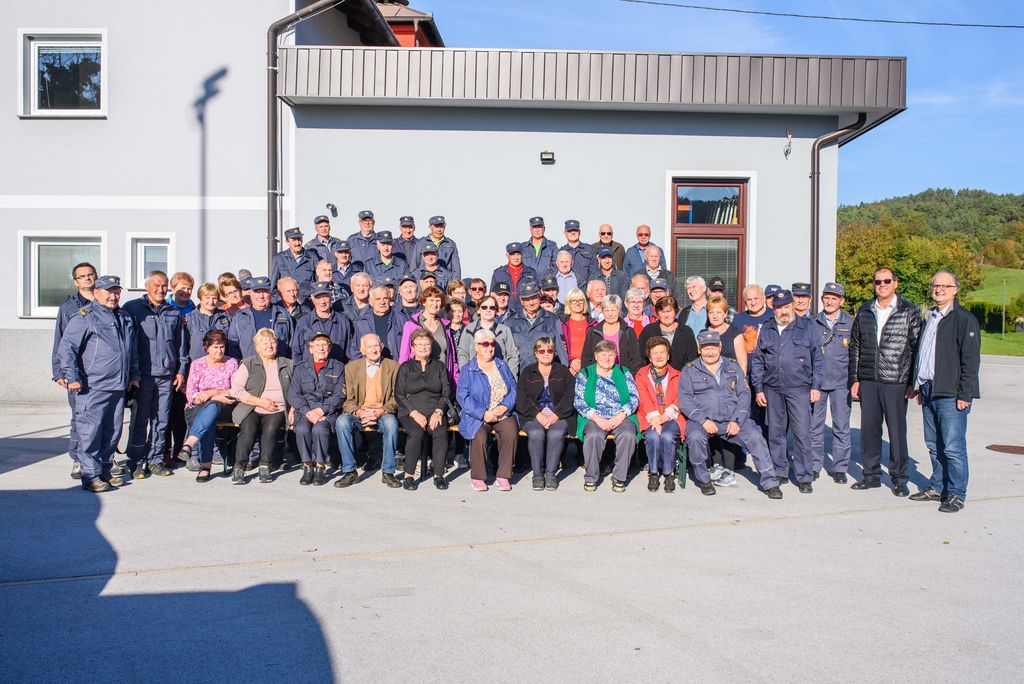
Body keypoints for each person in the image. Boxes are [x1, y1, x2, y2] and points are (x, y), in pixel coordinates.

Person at [57, 275, 140, 492]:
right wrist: (72, 377)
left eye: (116, 292)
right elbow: (66, 349)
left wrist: (134, 375)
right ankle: (90, 475)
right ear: (96, 293)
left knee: (112, 432)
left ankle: (104, 470)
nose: (113, 296)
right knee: (90, 432)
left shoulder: (124, 317)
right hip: (92, 386)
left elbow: (131, 350)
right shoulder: (84, 317)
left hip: (118, 385)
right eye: (108, 292)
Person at [679, 331, 782, 498]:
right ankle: (704, 480)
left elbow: (744, 395)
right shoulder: (689, 370)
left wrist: (737, 420)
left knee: (755, 436)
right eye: (706, 348)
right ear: (699, 349)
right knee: (695, 438)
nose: (710, 352)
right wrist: (703, 420)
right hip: (702, 421)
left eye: (713, 348)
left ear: (720, 347)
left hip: (731, 419)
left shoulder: (733, 366)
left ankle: (770, 482)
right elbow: (685, 400)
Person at [910, 269, 981, 513]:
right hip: (929, 390)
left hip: (951, 394)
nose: (939, 289)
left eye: (945, 286)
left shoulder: (963, 319)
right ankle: (937, 486)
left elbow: (970, 361)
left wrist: (965, 394)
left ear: (955, 290)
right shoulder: (930, 317)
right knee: (933, 444)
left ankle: (956, 493)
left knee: (952, 447)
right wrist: (919, 385)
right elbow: (924, 354)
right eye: (935, 285)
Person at [849, 267, 922, 496]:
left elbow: (916, 348)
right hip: (869, 380)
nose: (882, 285)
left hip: (896, 381)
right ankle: (870, 475)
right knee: (869, 431)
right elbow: (856, 346)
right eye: (878, 281)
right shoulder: (865, 310)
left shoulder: (908, 311)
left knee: (897, 433)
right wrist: (855, 378)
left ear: (895, 283)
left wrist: (911, 382)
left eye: (886, 281)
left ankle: (899, 479)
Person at [750, 290, 823, 493]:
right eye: (779, 307)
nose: (783, 311)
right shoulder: (767, 328)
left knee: (801, 433)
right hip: (772, 389)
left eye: (787, 306)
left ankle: (804, 476)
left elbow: (818, 359)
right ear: (773, 308)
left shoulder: (807, 327)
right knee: (776, 433)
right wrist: (758, 389)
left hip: (799, 389)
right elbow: (758, 360)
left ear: (792, 306)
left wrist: (816, 386)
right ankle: (780, 471)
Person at [122, 270, 189, 480]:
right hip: (142, 376)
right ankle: (136, 461)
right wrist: (132, 373)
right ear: (147, 286)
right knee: (140, 421)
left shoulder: (173, 312)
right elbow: (128, 344)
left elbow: (181, 346)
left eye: (164, 286)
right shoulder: (132, 309)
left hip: (166, 376)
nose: (161, 289)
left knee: (161, 420)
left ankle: (156, 460)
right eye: (156, 285)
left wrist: (181, 371)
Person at [336, 333, 402, 489]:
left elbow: (396, 397)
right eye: (369, 346)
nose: (373, 350)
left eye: (376, 346)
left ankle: (388, 472)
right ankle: (350, 471)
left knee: (391, 424)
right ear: (362, 349)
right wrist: (360, 412)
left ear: (381, 347)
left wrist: (381, 411)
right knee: (341, 422)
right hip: (360, 412)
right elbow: (349, 400)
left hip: (382, 412)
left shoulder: (393, 366)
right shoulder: (351, 368)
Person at [573, 339, 639, 492]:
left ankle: (619, 477)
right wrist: (597, 418)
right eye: (603, 354)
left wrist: (621, 415)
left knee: (628, 435)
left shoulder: (624, 372)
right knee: (594, 435)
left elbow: (634, 397)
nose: (607, 358)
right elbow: (579, 401)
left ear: (616, 356)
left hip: (620, 415)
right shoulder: (585, 373)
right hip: (594, 416)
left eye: (611, 354)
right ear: (596, 356)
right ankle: (591, 477)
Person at [229, 328, 293, 485]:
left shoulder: (288, 364)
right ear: (257, 347)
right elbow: (236, 390)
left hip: (277, 409)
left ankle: (265, 465)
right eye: (264, 343)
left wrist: (293, 409)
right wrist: (260, 402)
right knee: (248, 429)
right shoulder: (248, 363)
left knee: (270, 429)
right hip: (251, 407)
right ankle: (239, 467)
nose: (269, 346)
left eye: (272, 342)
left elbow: (297, 390)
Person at [457, 328, 518, 492]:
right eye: (485, 344)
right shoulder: (468, 369)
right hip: (478, 415)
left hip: (502, 413)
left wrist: (504, 407)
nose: (489, 347)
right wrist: (483, 413)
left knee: (510, 433)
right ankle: (478, 476)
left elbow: (513, 389)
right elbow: (463, 396)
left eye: (492, 344)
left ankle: (503, 475)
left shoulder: (502, 365)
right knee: (480, 437)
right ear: (476, 346)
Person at [52, 261, 96, 479]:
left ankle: (102, 456)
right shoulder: (68, 307)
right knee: (79, 418)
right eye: (82, 276)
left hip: (100, 371)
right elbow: (60, 339)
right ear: (76, 281)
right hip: (77, 372)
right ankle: (78, 459)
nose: (87, 278)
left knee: (102, 418)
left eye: (90, 274)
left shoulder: (106, 300)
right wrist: (59, 372)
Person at [516, 336, 576, 491]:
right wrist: (538, 415)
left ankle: (550, 474)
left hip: (560, 414)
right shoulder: (528, 372)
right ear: (536, 353)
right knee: (536, 433)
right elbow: (522, 398)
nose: (546, 354)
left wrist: (556, 415)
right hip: (533, 414)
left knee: (556, 434)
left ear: (554, 352)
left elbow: (569, 396)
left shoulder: (563, 371)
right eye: (541, 351)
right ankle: (537, 474)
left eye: (549, 350)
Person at [396, 329, 452, 491]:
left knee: (440, 432)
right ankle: (409, 476)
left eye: (426, 344)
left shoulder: (439, 366)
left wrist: (439, 412)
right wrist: (414, 413)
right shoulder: (405, 367)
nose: (423, 347)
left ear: (431, 346)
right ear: (412, 347)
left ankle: (438, 475)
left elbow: (446, 391)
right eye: (419, 344)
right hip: (410, 411)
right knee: (416, 433)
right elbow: (399, 394)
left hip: (435, 411)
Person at [287, 333, 346, 487]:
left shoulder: (338, 367)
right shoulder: (301, 368)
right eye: (317, 344)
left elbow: (340, 395)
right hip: (305, 411)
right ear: (310, 349)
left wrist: (321, 411)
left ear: (329, 348)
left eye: (324, 344)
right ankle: (307, 465)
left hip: (327, 412)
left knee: (320, 429)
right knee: (302, 429)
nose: (321, 347)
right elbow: (293, 394)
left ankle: (320, 466)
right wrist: (307, 412)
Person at [810, 283, 854, 483]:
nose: (829, 301)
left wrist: (855, 381)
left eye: (834, 298)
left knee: (841, 426)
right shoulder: (813, 322)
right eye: (827, 297)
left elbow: (855, 354)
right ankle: (814, 466)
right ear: (822, 299)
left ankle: (839, 468)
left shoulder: (850, 323)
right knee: (814, 426)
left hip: (841, 383)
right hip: (817, 383)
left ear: (841, 301)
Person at [181, 329, 237, 482]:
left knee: (212, 408)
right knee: (208, 417)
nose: (219, 350)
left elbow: (234, 390)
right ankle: (205, 465)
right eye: (215, 347)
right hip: (197, 408)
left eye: (222, 347)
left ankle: (190, 446)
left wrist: (212, 393)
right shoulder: (197, 364)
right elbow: (191, 393)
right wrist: (214, 397)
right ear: (206, 348)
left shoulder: (232, 363)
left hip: (224, 408)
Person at [636, 336, 686, 493]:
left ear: (668, 355)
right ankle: (653, 472)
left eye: (662, 352)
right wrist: (655, 419)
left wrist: (663, 418)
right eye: (655, 353)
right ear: (650, 357)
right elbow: (642, 399)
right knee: (652, 436)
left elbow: (680, 400)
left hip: (672, 416)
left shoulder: (677, 375)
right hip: (649, 416)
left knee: (667, 436)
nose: (659, 356)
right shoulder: (641, 374)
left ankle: (668, 473)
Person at [398, 286, 459, 386]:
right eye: (431, 300)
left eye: (438, 300)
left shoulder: (446, 326)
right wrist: (402, 382)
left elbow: (452, 358)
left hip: (441, 379)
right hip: (418, 380)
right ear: (424, 302)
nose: (434, 304)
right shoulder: (411, 325)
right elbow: (404, 356)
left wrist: (455, 382)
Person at [505, 281, 569, 370]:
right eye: (527, 299)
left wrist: (562, 373)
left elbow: (561, 353)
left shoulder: (553, 320)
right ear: (521, 301)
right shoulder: (510, 322)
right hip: (519, 374)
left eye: (534, 298)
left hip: (546, 374)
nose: (531, 303)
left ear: (539, 296)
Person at [228, 276, 294, 359]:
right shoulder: (240, 317)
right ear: (251, 294)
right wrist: (240, 364)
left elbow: (293, 344)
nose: (261, 296)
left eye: (265, 292)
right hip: (250, 365)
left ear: (270, 293)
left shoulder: (282, 314)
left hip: (279, 365)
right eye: (257, 292)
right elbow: (233, 347)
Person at [291, 281, 356, 363]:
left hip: (337, 369)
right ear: (312, 299)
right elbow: (296, 351)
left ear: (331, 297)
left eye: (325, 296)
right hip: (310, 370)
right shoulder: (303, 322)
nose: (322, 301)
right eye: (318, 297)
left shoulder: (343, 321)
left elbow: (350, 352)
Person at [581, 294, 643, 375]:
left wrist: (629, 377)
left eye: (613, 310)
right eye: (607, 310)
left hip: (622, 377)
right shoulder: (593, 331)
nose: (610, 314)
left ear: (619, 311)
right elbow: (586, 358)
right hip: (597, 377)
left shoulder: (628, 331)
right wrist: (588, 376)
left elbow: (636, 359)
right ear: (602, 311)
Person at [457, 294, 519, 375]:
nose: (488, 310)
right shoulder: (469, 329)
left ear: (496, 311)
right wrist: (466, 374)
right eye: (484, 307)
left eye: (492, 308)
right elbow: (463, 353)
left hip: (499, 376)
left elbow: (513, 355)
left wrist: (509, 376)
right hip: (474, 376)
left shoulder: (504, 330)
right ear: (478, 310)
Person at [638, 296, 698, 371]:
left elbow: (691, 358)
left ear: (675, 312)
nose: (666, 315)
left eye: (669, 311)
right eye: (663, 312)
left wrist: (683, 374)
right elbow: (641, 357)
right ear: (657, 314)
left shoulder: (686, 331)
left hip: (681, 375)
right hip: (653, 375)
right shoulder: (649, 331)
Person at [353, 285, 405, 360]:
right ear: (370, 302)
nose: (382, 302)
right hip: (372, 365)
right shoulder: (363, 323)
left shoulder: (401, 319)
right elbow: (355, 350)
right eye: (378, 299)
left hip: (397, 364)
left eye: (385, 298)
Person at [185, 282, 232, 364]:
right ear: (200, 298)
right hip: (197, 366)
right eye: (207, 298)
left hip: (222, 365)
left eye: (214, 298)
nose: (211, 301)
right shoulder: (189, 319)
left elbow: (232, 343)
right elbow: (183, 347)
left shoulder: (225, 317)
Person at [270, 227, 317, 300]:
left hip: (306, 302)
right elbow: (273, 286)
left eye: (299, 239)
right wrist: (278, 302)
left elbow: (317, 282)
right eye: (294, 240)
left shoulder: (312, 257)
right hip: (286, 302)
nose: (297, 243)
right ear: (287, 242)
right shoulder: (279, 258)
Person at [490, 242, 538, 308]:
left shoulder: (531, 272)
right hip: (505, 310)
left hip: (525, 310)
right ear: (507, 256)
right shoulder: (498, 273)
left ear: (522, 255)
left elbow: (536, 295)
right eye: (512, 254)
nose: (516, 258)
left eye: (518, 254)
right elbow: (492, 296)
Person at [413, 215, 462, 281]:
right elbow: (414, 266)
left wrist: (455, 285)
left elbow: (456, 269)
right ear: (430, 227)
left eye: (441, 226)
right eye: (436, 226)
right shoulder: (421, 243)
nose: (439, 229)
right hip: (425, 281)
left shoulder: (450, 244)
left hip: (444, 280)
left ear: (444, 227)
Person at [561, 288, 596, 376]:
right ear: (568, 303)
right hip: (569, 370)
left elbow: (597, 348)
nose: (577, 303)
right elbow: (560, 348)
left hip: (589, 369)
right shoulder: (562, 324)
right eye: (573, 300)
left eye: (580, 300)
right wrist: (570, 363)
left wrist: (585, 364)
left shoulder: (593, 324)